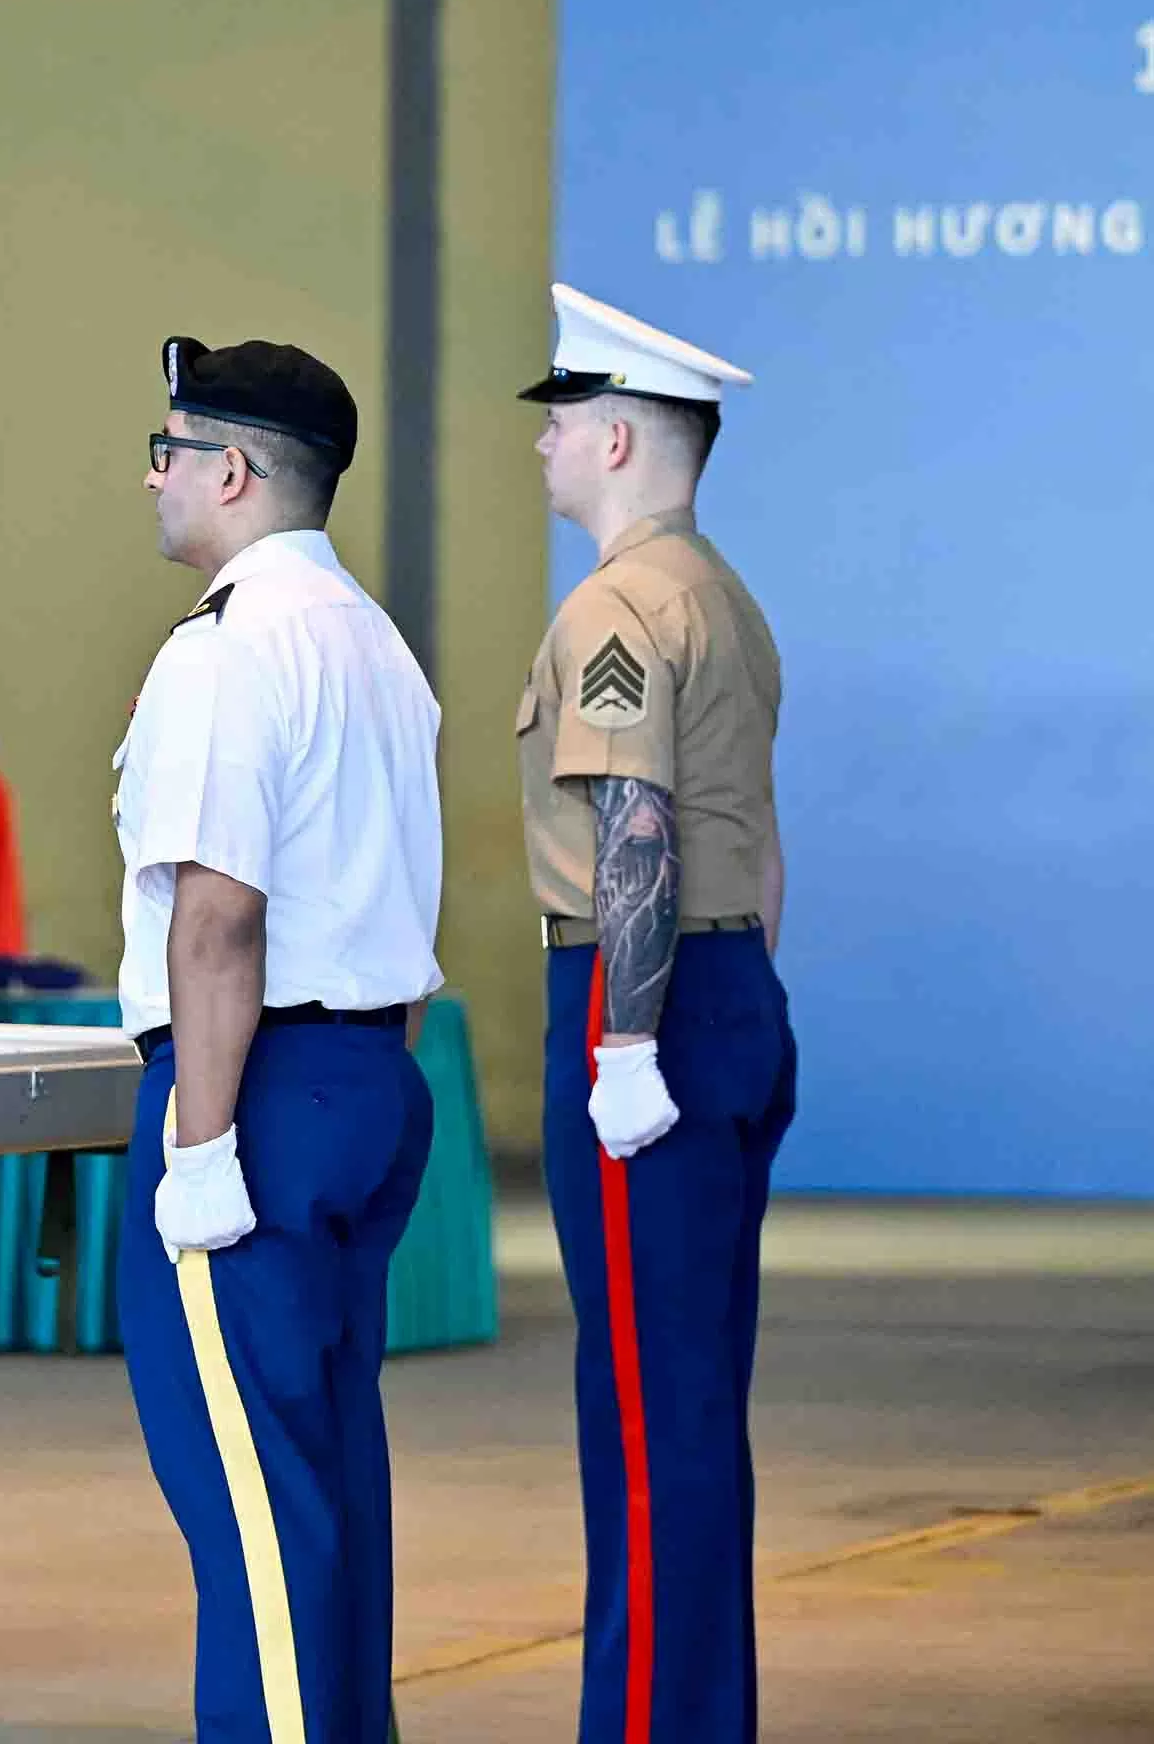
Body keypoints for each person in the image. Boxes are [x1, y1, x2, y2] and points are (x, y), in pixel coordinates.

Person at [111, 335, 444, 1743]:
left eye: (168, 449)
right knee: (317, 1482)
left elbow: (216, 921)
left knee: (247, 1504)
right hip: (361, 1068)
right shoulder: (373, 641)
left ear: (234, 471)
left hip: (247, 1086)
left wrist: (198, 1142)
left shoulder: (232, 648)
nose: (152, 474)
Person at [516, 282, 794, 1744]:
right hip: (727, 984)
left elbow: (634, 819)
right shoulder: (722, 596)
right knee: (688, 1402)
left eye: (561, 419)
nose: (544, 444)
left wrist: (624, 1041)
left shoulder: (618, 606)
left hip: (646, 1000)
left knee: (639, 1414)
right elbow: (758, 833)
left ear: (617, 436)